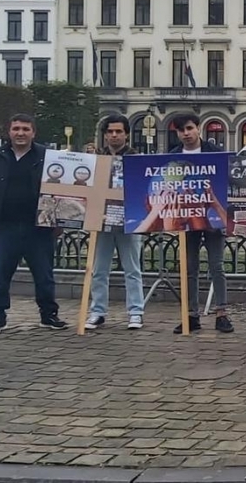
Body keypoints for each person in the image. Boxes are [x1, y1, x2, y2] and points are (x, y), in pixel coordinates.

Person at [0, 114, 66, 334]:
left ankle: (48, 315)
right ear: (9, 131)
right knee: (0, 276)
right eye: (16, 129)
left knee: (44, 275)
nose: (20, 133)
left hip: (39, 226)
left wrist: (60, 219)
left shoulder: (47, 156)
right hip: (5, 226)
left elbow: (61, 188)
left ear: (34, 132)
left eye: (25, 129)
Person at [169, 113, 233, 335]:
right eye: (181, 130)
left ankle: (221, 313)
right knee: (189, 268)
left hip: (212, 218)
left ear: (198, 128)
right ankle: (191, 315)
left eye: (189, 128)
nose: (186, 134)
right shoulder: (172, 156)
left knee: (217, 266)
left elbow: (227, 181)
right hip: (186, 218)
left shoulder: (215, 153)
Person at [85, 115, 146, 331]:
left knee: (132, 269)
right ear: (104, 135)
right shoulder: (96, 158)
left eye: (118, 131)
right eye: (110, 132)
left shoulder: (135, 158)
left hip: (128, 219)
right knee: (99, 269)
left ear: (126, 134)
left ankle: (136, 312)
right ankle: (97, 311)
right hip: (101, 219)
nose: (114, 135)